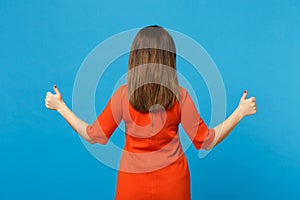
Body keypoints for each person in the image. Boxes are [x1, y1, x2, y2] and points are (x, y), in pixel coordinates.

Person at [44, 25, 257, 200]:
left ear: (136, 57)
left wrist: (60, 107)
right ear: (169, 59)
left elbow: (94, 135)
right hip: (175, 185)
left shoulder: (122, 95)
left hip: (131, 186)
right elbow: (205, 141)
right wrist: (239, 112)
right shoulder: (180, 96)